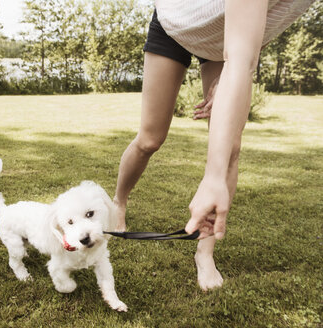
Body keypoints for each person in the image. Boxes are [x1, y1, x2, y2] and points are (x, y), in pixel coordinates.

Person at [113, 0, 315, 290]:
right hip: (176, 25)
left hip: (227, 37)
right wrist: (236, 67)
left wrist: (231, 76)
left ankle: (204, 254)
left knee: (231, 149)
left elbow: (248, 46)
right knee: (150, 139)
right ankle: (119, 201)